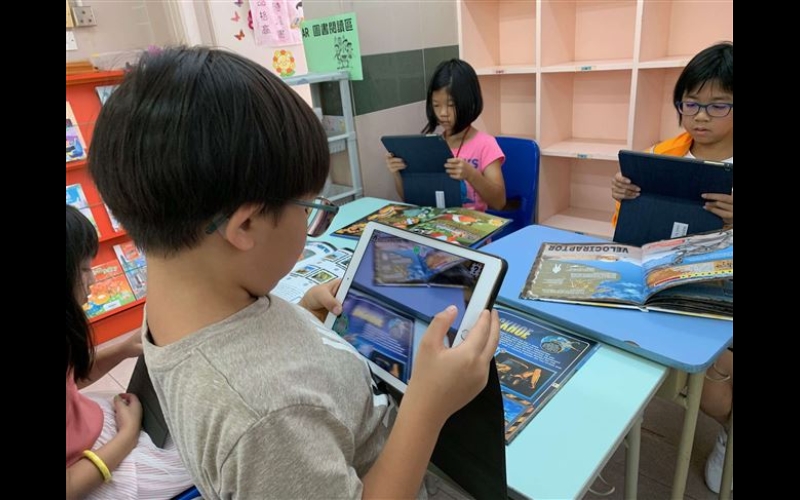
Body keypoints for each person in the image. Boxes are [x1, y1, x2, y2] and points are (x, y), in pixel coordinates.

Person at [88, 46, 500, 499]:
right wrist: (427, 407)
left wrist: (304, 315)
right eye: (309, 209)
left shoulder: (177, 300)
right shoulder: (268, 418)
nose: (310, 220)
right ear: (246, 225)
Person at [610, 41, 733, 494]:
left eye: (718, 105)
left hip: (721, 291)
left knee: (714, 394)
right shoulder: (664, 155)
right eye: (690, 103)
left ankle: (727, 432)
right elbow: (631, 235)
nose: (700, 116)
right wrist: (623, 198)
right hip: (665, 280)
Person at [66, 204, 194, 500]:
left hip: (95, 427)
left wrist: (122, 350)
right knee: (196, 461)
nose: (93, 280)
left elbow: (73, 379)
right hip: (92, 468)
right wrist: (128, 433)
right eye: (83, 269)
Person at [386, 58, 507, 211]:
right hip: (436, 223)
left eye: (451, 105)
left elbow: (499, 202)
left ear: (469, 102)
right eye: (436, 105)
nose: (443, 113)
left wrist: (471, 175)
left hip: (472, 225)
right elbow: (410, 198)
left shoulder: (486, 145)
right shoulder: (430, 146)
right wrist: (397, 173)